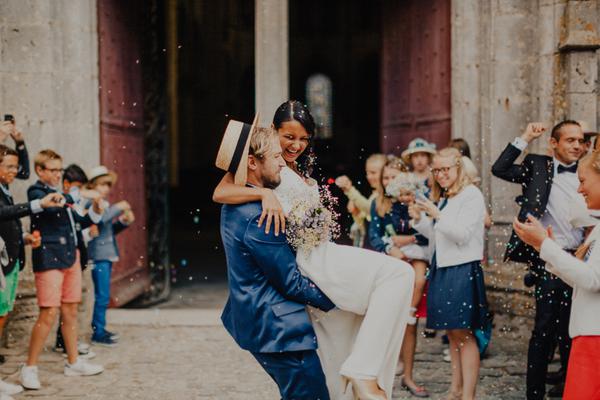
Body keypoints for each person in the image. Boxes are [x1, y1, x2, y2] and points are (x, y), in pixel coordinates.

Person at [214, 101, 415, 400]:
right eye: (288, 137)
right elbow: (220, 191)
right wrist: (264, 193)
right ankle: (363, 371)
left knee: (347, 340)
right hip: (310, 265)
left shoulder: (282, 166)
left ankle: (358, 375)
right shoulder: (257, 194)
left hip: (320, 253)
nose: (294, 147)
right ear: (272, 134)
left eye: (303, 139)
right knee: (397, 274)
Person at [216, 121, 336, 400]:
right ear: (251, 162)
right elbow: (291, 282)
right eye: (275, 156)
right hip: (278, 329)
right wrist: (340, 300)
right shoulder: (260, 216)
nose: (283, 163)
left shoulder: (237, 203)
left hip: (264, 324)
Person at [491, 121, 586, 399]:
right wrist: (525, 137)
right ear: (553, 143)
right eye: (570, 140)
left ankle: (569, 386)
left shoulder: (587, 171)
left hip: (580, 259)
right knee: (543, 329)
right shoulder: (538, 167)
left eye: (580, 140)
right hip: (548, 262)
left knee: (573, 329)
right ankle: (534, 393)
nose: (577, 146)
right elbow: (500, 169)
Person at [512, 147, 600, 400]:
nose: (579, 189)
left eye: (583, 181)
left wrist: (544, 245)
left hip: (595, 336)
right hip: (588, 335)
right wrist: (546, 250)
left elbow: (593, 280)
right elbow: (583, 277)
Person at [20, 150, 105, 390]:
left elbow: (81, 222)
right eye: (53, 170)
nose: (58, 174)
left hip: (71, 258)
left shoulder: (66, 196)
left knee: (70, 311)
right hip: (49, 259)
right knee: (48, 313)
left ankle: (74, 362)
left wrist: (96, 208)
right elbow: (51, 206)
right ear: (40, 171)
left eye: (60, 169)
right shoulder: (36, 192)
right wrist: (77, 194)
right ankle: (30, 367)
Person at [411, 147, 488, 400]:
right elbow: (438, 236)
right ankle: (455, 389)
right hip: (442, 267)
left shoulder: (471, 195)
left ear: (459, 168)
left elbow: (462, 235)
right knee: (452, 334)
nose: (441, 175)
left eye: (446, 169)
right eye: (437, 170)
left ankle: (468, 395)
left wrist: (437, 214)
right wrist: (419, 220)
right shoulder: (446, 197)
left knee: (464, 334)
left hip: (462, 268)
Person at [0, 145, 64, 398]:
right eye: (9, 167)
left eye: (15, 166)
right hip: (1, 262)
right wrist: (38, 204)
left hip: (11, 261)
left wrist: (24, 237)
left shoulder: (5, 189)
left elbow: (7, 222)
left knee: (3, 316)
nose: (15, 171)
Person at [385, 172, 431, 398]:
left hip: (418, 254)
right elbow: (386, 232)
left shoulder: (420, 206)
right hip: (397, 256)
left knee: (419, 280)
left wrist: (410, 236)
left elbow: (426, 236)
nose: (405, 197)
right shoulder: (389, 207)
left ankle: (408, 376)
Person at [85, 166, 134, 346]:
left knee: (104, 295)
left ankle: (100, 328)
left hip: (106, 253)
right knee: (102, 295)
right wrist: (119, 207)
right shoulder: (91, 203)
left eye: (107, 185)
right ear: (93, 186)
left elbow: (108, 230)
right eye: (102, 185)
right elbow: (100, 219)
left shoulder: (105, 204)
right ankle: (98, 331)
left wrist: (123, 222)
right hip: (98, 255)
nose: (105, 188)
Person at [54, 164, 95, 359]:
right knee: (66, 305)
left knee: (71, 304)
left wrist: (96, 210)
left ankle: (67, 340)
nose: (80, 191)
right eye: (77, 187)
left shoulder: (73, 205)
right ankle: (63, 343)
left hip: (77, 255)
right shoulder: (60, 201)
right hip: (64, 258)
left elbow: (82, 223)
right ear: (67, 184)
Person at [335, 153, 387, 248]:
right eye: (367, 173)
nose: (369, 177)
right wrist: (356, 213)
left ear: (385, 172)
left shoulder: (386, 195)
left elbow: (369, 209)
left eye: (373, 173)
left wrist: (350, 189)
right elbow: (366, 223)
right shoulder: (375, 194)